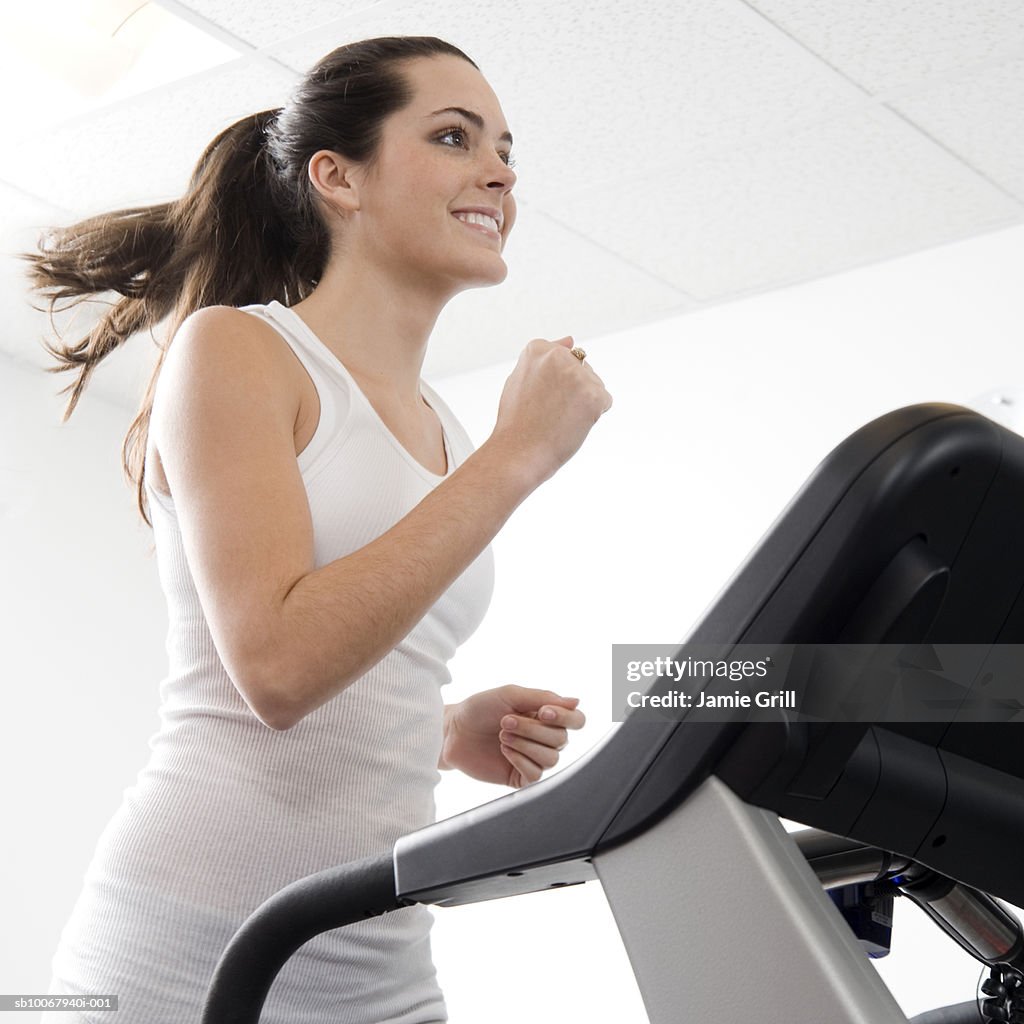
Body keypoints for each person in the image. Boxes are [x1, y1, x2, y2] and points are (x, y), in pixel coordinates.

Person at [24, 35, 612, 1024]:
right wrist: (516, 458)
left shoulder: (444, 426)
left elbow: (350, 659)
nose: (500, 172)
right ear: (337, 177)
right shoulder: (240, 349)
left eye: (506, 149)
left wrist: (442, 731)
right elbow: (277, 667)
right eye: (455, 136)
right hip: (183, 954)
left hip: (374, 960)